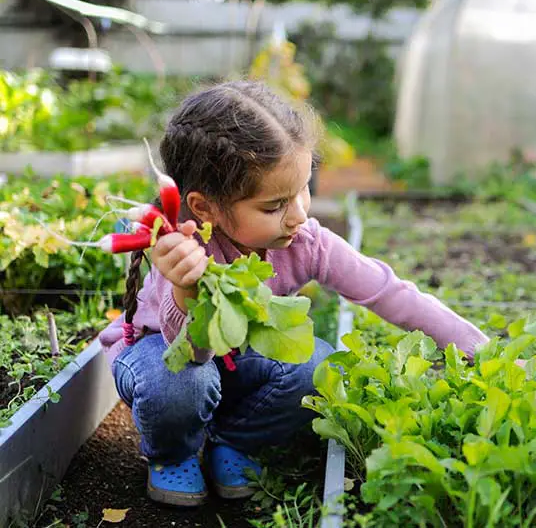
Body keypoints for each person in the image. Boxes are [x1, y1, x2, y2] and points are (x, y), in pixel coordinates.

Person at [98, 81, 489, 507]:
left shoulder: (305, 240)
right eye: (275, 206)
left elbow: (389, 292)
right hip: (169, 357)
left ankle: (234, 441)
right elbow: (189, 353)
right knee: (179, 382)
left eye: (304, 190)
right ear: (205, 206)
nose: (300, 214)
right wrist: (185, 288)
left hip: (239, 364)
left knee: (316, 365)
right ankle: (173, 454)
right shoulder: (181, 250)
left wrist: (483, 353)